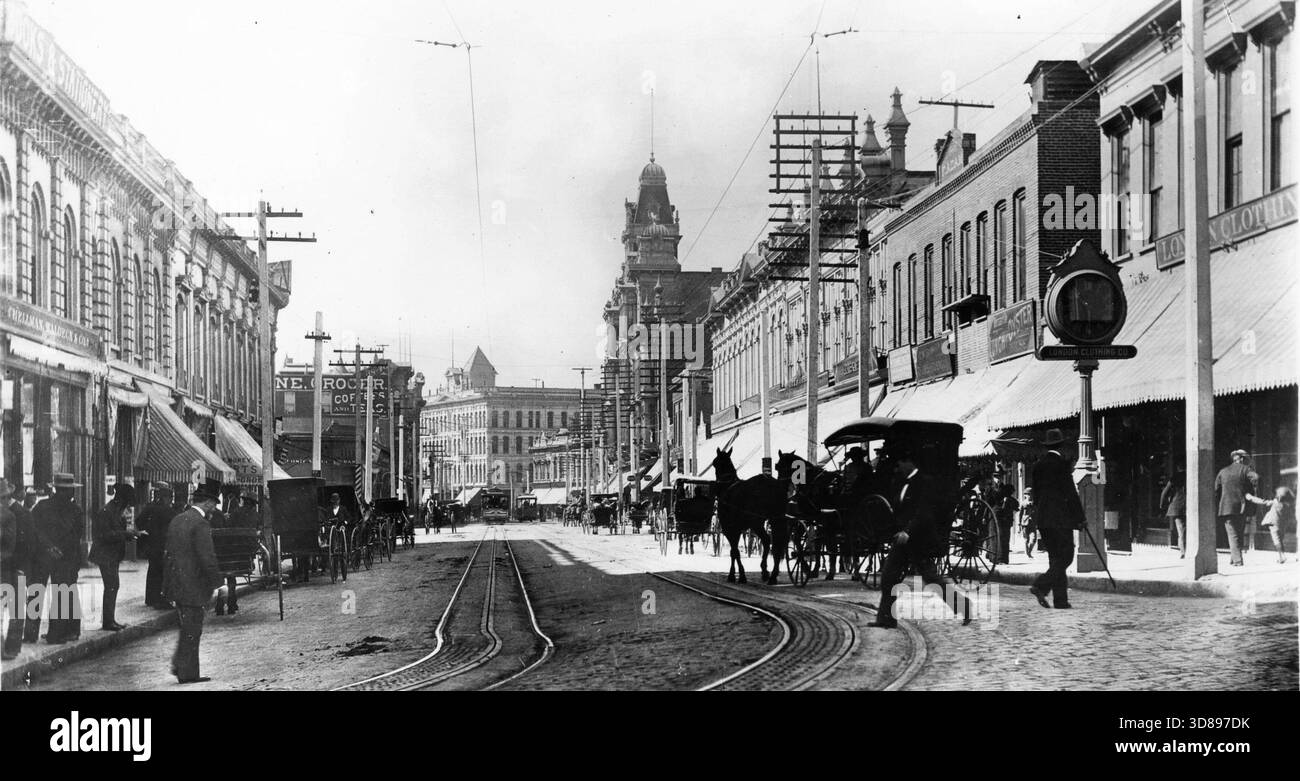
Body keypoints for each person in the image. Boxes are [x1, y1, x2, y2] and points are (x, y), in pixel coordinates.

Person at [870, 445, 972, 629]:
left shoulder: (924, 482)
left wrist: (908, 532)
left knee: (931, 579)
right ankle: (886, 619)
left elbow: (923, 513)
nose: (897, 467)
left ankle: (964, 606)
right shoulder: (904, 482)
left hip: (919, 539)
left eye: (899, 463)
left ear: (909, 462)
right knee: (888, 576)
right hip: (903, 540)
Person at [163, 481, 224, 684]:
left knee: (187, 626)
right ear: (207, 503)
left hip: (177, 583)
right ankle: (187, 673)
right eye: (214, 504)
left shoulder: (177, 519)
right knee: (193, 628)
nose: (214, 509)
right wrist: (218, 583)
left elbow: (169, 555)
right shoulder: (201, 524)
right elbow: (207, 557)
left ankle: (180, 665)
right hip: (194, 584)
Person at [1028, 430, 1085, 609]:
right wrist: (1080, 518)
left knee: (1055, 559)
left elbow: (1036, 496)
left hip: (1044, 519)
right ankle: (1041, 585)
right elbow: (1071, 494)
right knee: (1066, 556)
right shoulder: (1061, 465)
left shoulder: (1038, 466)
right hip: (1061, 519)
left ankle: (1060, 600)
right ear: (1060, 445)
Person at [32, 473, 86, 643]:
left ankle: (58, 632)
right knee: (63, 592)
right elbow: (35, 530)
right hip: (58, 556)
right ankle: (61, 633)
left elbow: (36, 531)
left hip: (56, 555)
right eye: (67, 491)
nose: (69, 494)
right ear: (59, 490)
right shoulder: (71, 510)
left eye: (69, 491)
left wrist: (49, 546)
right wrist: (51, 547)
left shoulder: (43, 506)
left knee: (59, 593)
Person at [89, 483, 140, 631]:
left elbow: (117, 532)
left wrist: (131, 535)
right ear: (121, 499)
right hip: (105, 555)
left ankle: (110, 620)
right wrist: (126, 534)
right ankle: (108, 622)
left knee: (112, 586)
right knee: (111, 586)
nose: (127, 506)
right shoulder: (107, 511)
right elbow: (104, 535)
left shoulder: (116, 511)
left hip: (112, 555)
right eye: (127, 502)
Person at [1, 478, 34, 659]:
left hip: (16, 568)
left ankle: (12, 647)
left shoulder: (21, 514)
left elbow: (28, 543)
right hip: (4, 568)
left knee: (16, 610)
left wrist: (22, 568)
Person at [1214, 450, 1259, 567]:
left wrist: (1222, 500)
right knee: (1238, 532)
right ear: (1243, 459)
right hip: (1241, 506)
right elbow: (1256, 478)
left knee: (1232, 534)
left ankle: (1236, 559)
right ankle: (1236, 559)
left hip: (1226, 507)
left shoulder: (1222, 471)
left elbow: (1216, 489)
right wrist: (1249, 491)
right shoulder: (1245, 469)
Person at [137, 484, 176, 609]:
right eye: (170, 498)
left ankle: (150, 598)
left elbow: (138, 521)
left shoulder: (150, 507)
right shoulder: (167, 511)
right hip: (162, 545)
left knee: (153, 571)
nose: (171, 501)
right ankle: (160, 600)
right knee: (162, 572)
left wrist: (148, 531)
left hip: (151, 544)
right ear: (165, 498)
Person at [1248, 485, 1295, 564]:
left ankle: (1282, 556)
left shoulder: (1275, 502)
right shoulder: (1287, 506)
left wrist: (1250, 497)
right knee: (1280, 540)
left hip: (1273, 524)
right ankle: (1281, 557)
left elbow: (1263, 502)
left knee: (1276, 540)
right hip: (1282, 525)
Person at [989, 470, 1017, 565]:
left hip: (1004, 514)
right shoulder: (990, 488)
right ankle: (995, 557)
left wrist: (1007, 501)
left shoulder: (1004, 487)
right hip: (994, 513)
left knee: (1004, 536)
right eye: (996, 477)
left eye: (999, 477)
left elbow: (1010, 498)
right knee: (996, 535)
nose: (998, 479)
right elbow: (988, 501)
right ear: (993, 478)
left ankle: (1004, 558)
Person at [1160, 468, 1187, 558]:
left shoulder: (1175, 477)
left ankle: (1183, 552)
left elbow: (1165, 492)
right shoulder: (1190, 474)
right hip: (1189, 505)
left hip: (1178, 506)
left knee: (1181, 530)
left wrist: (1161, 504)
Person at [1020, 487, 1038, 558]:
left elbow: (1037, 513)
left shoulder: (1034, 503)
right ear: (1025, 495)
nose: (1029, 496)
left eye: (1030, 494)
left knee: (1033, 539)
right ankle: (1027, 553)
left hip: (1032, 523)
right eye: (1027, 494)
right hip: (1025, 523)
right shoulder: (1023, 503)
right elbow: (1020, 514)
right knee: (1026, 539)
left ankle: (1029, 552)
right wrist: (1019, 524)